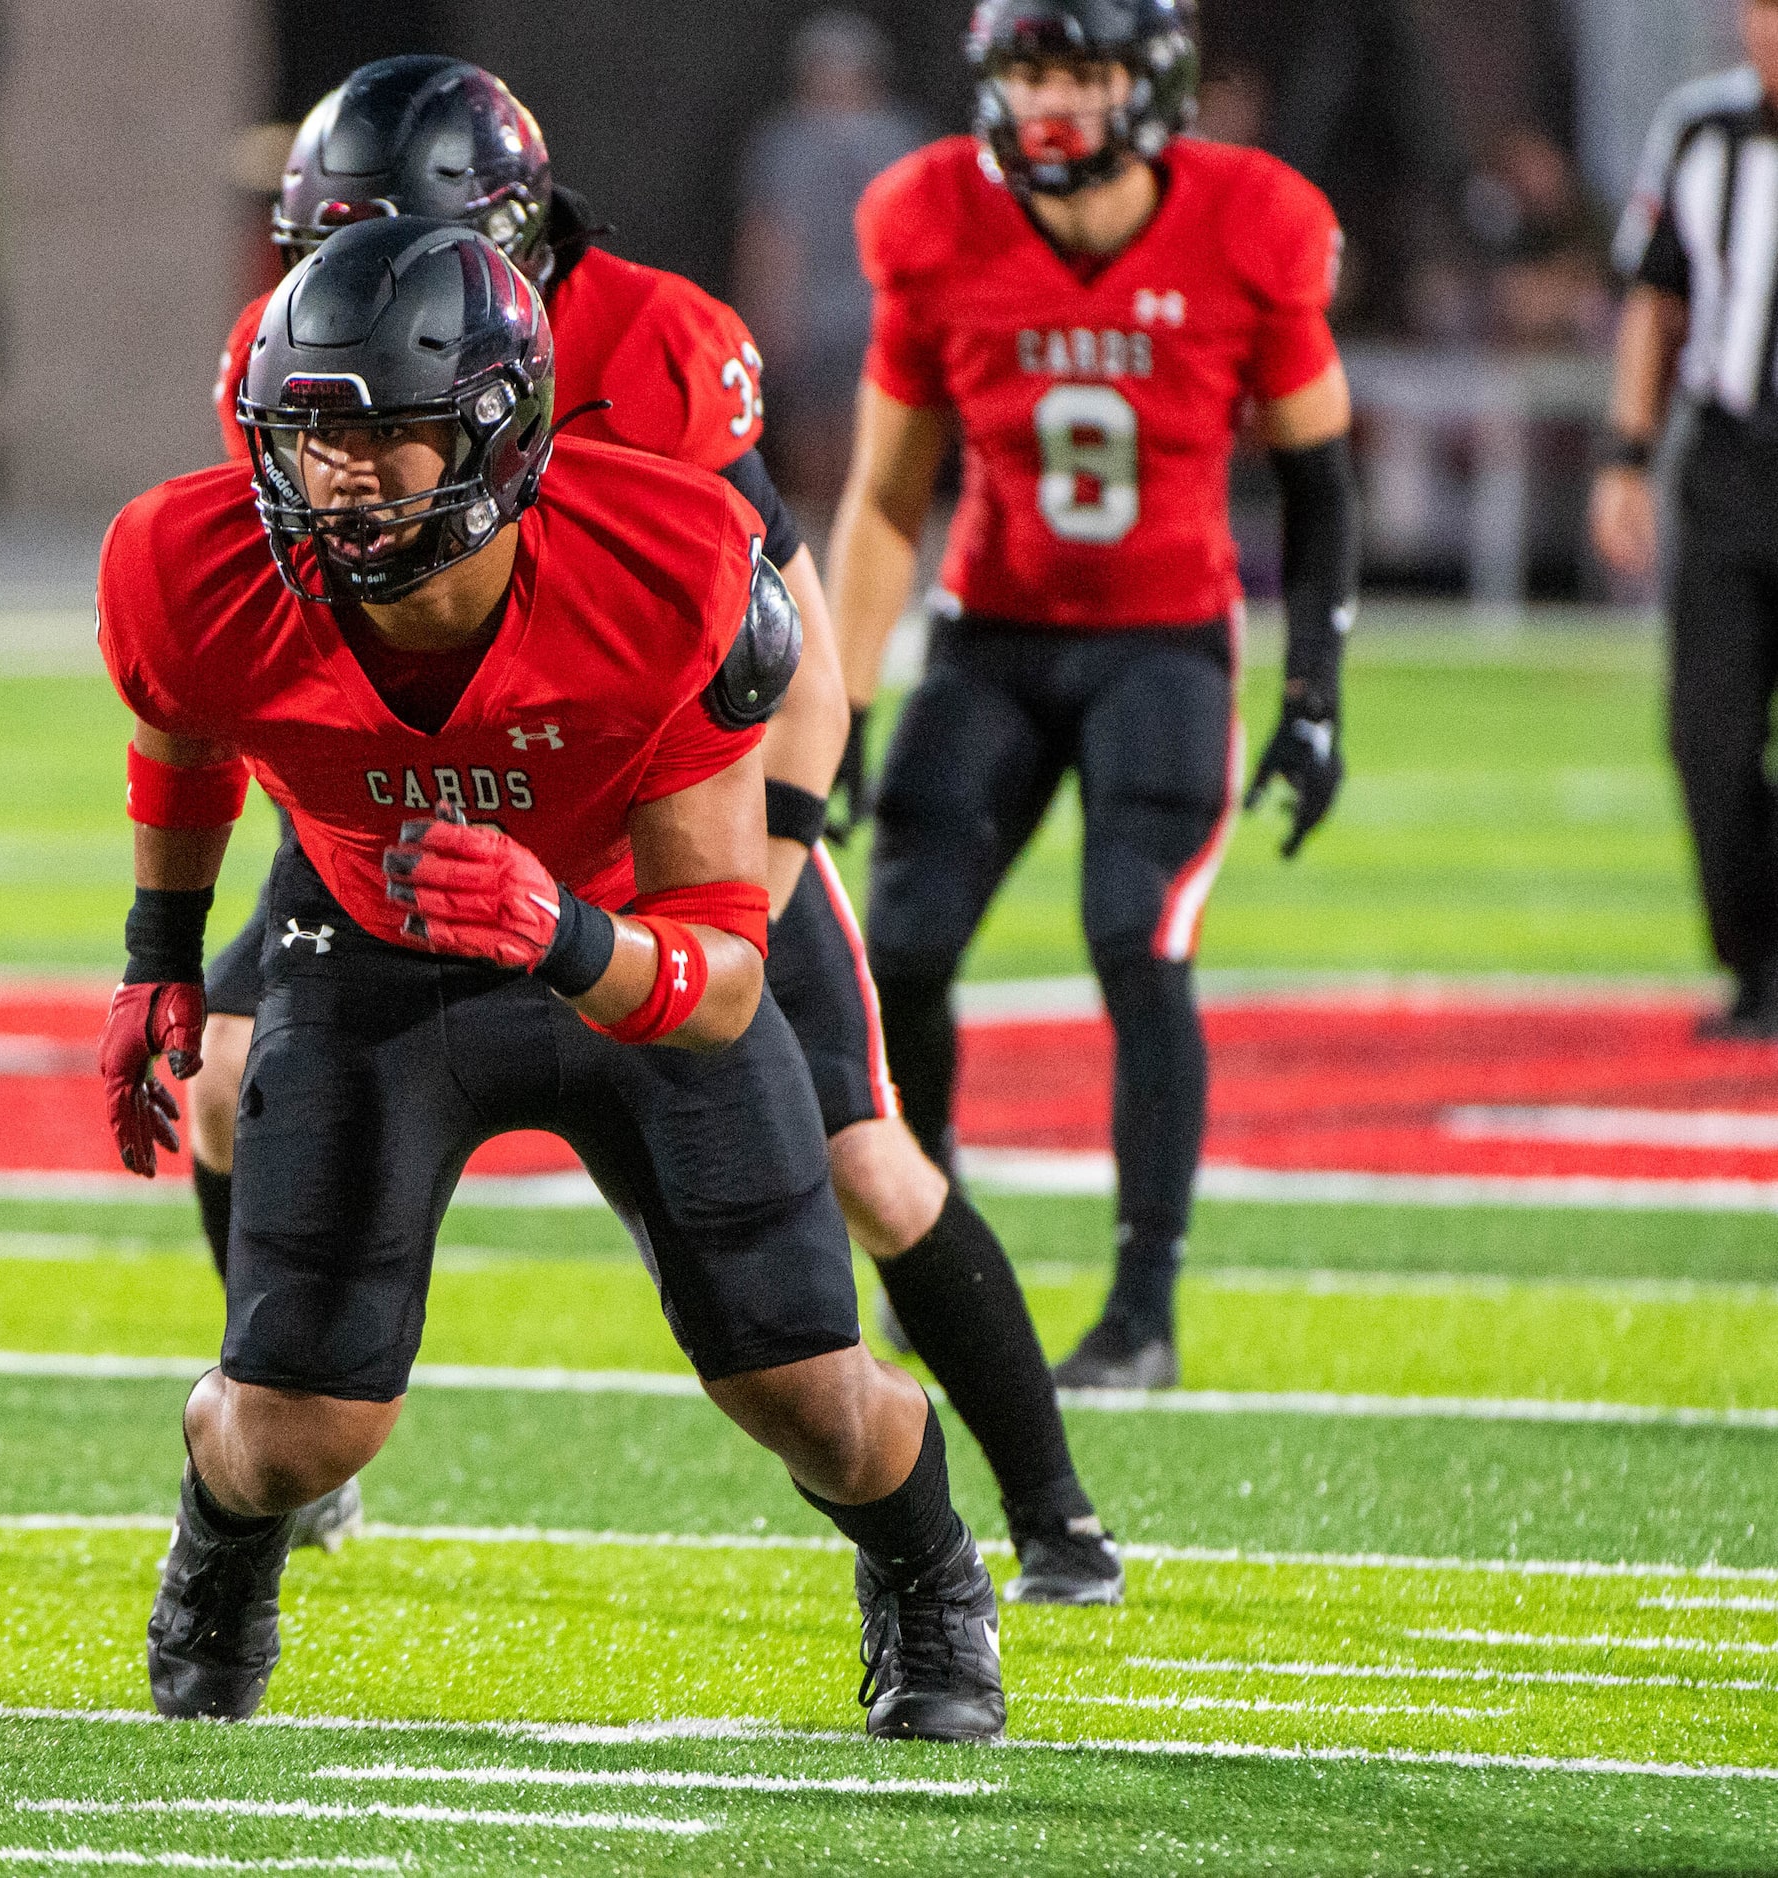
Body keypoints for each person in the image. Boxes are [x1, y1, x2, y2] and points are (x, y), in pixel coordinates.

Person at [194, 56, 1120, 1598]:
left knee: (864, 1159)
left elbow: (785, 638)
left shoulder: (652, 341)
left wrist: (751, 875)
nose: (346, 296)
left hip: (658, 802)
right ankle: (293, 1433)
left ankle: (1048, 1509)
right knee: (225, 1080)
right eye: (322, 263)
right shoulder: (290, 359)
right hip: (422, 801)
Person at [96, 216, 1007, 1743]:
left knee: (810, 1395)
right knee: (302, 1425)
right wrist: (159, 956)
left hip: (615, 943)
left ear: (505, 429)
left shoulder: (659, 565)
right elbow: (185, 722)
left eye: (392, 430)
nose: (346, 473)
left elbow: (724, 974)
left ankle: (929, 1579)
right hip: (367, 948)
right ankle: (224, 1533)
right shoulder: (186, 563)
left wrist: (561, 935)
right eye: (314, 430)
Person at [833, 0, 1360, 1390]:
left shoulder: (1251, 220)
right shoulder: (932, 217)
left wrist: (1314, 683)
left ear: (1153, 82)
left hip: (1162, 639)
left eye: (1080, 71)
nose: (1051, 101)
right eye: (1026, 71)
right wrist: (835, 701)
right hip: (989, 633)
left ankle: (1139, 1309)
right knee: (902, 945)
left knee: (1136, 935)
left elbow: (1317, 484)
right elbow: (888, 494)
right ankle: (922, 1238)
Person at [1594, 1, 1778, 1040]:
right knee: (1706, 737)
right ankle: (1750, 961)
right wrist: (1625, 455)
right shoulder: (1699, 131)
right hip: (1729, 463)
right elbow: (1654, 301)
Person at [734, 12, 928, 521]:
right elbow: (771, 240)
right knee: (823, 454)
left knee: (867, 453)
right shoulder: (792, 141)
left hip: (864, 319)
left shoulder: (893, 138)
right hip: (833, 320)